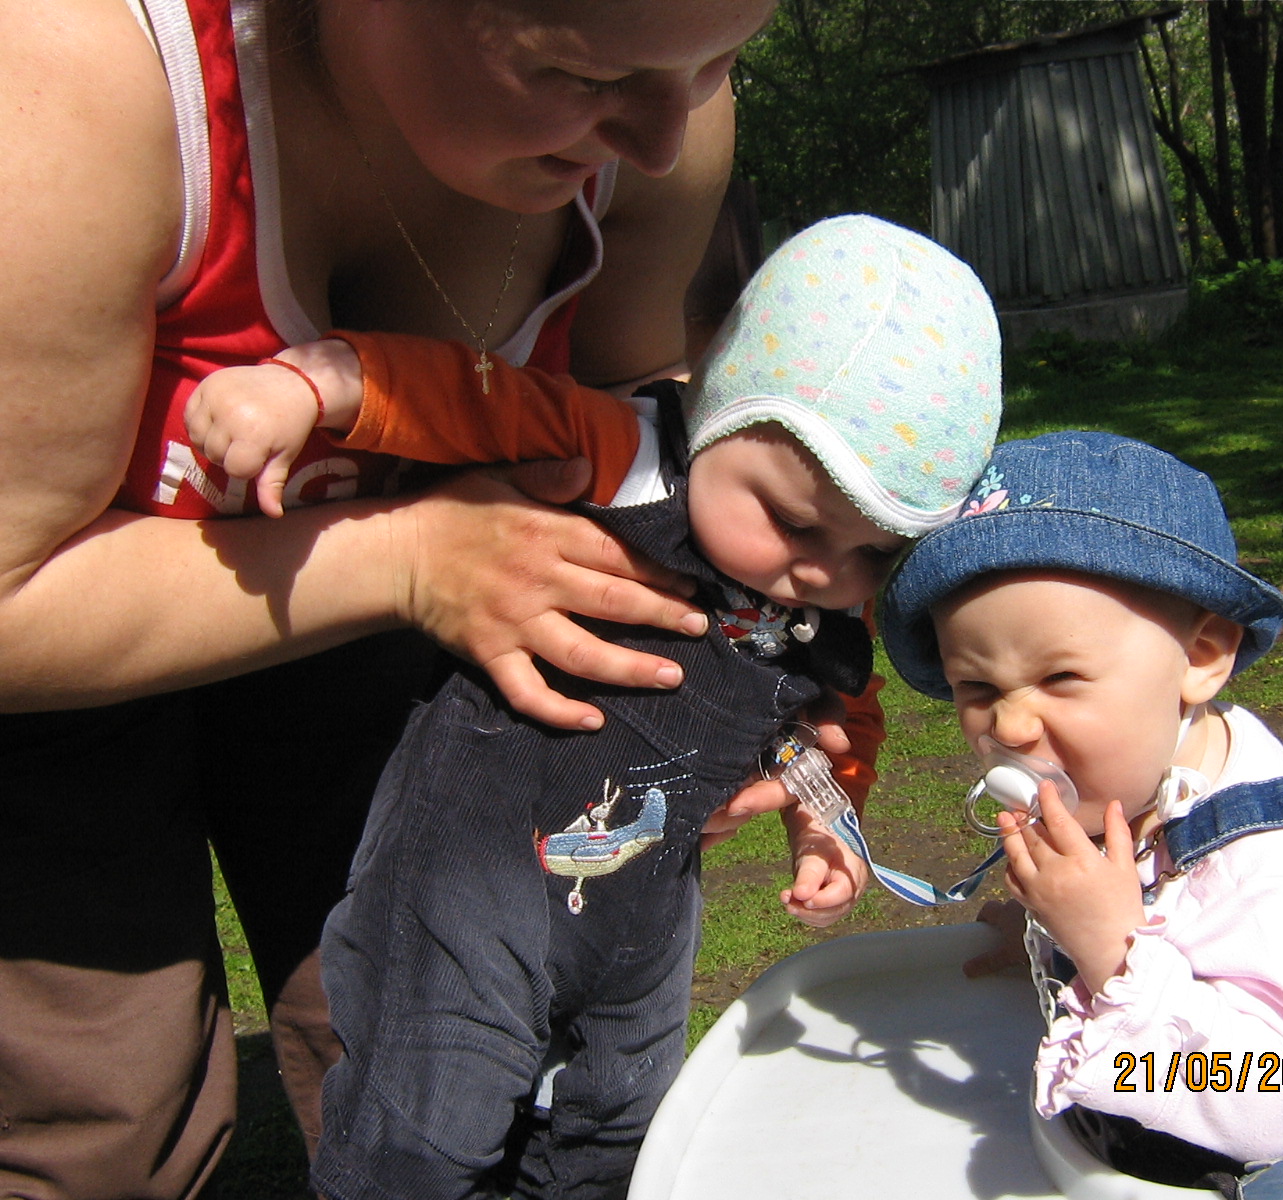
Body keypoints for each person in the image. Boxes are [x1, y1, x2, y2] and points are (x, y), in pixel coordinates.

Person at [0, 1, 798, 1196]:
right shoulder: (76, 75)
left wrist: (718, 678)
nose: (659, 138)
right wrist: (412, 559)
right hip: (53, 655)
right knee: (99, 1113)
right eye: (581, 74)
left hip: (393, 640)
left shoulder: (662, 90)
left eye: (717, 62)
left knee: (430, 1028)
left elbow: (634, 425)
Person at [260, 216, 1000, 1199]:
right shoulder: (622, 455)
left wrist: (829, 823)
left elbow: (843, 716)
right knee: (429, 1117)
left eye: (872, 553)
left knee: (621, 1126)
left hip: (645, 902)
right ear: (720, 413)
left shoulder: (824, 605)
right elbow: (473, 397)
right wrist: (319, 386)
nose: (825, 571)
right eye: (791, 521)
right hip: (476, 863)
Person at [878, 432, 1283, 1182]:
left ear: (1201, 658)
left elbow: (1278, 1102)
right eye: (978, 688)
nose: (1010, 726)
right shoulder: (1129, 784)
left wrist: (1109, 950)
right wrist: (1052, 943)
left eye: (1060, 678)